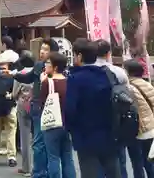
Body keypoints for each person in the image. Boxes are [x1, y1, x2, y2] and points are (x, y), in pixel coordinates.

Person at [65, 38, 121, 178]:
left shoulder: (75, 79)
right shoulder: (108, 75)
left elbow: (70, 109)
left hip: (85, 136)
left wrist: (71, 129)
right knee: (113, 172)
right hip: (110, 133)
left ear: (79, 56)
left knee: (90, 172)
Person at [5, 37, 60, 178]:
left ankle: (40, 173)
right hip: (41, 108)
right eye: (41, 48)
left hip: (46, 107)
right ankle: (42, 171)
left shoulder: (53, 67)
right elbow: (28, 78)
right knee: (43, 143)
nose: (42, 51)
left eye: (46, 49)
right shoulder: (38, 66)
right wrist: (14, 75)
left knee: (40, 143)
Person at [95, 40, 129, 178]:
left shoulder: (89, 72)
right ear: (109, 54)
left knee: (97, 161)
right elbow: (127, 94)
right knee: (119, 159)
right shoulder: (119, 72)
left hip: (95, 121)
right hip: (116, 119)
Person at [40, 52, 76, 178]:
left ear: (54, 67)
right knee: (68, 157)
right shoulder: (69, 81)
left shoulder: (47, 82)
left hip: (52, 123)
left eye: (48, 63)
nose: (45, 65)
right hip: (67, 123)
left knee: (53, 157)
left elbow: (42, 103)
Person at [123, 59, 154, 178]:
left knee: (137, 163)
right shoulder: (147, 84)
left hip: (138, 131)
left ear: (128, 72)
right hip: (151, 129)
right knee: (149, 162)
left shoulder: (129, 88)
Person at [12, 50, 35, 177]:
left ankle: (26, 168)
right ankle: (38, 166)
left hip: (23, 105)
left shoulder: (20, 74)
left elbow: (15, 93)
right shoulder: (38, 72)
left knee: (25, 137)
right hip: (36, 104)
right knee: (37, 138)